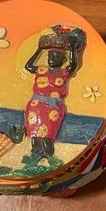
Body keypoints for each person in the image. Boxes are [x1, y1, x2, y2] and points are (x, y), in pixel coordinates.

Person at [24, 26, 86, 158]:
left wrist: (72, 49)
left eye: (57, 56)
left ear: (63, 60)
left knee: (48, 137)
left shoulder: (63, 73)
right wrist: (39, 49)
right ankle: (35, 159)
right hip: (36, 106)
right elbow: (28, 66)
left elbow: (73, 66)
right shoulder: (41, 70)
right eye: (50, 55)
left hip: (53, 108)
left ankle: (48, 159)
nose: (52, 58)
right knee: (34, 137)